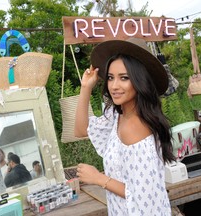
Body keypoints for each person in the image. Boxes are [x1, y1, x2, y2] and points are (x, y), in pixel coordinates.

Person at [74, 38, 175, 216]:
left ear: (140, 81)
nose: (114, 86)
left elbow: (141, 195)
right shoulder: (117, 116)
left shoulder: (136, 127)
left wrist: (98, 178)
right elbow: (81, 130)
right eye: (111, 78)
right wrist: (85, 88)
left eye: (124, 78)